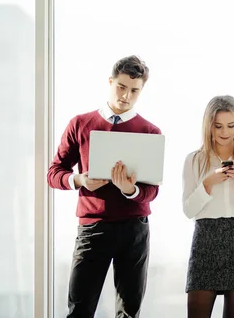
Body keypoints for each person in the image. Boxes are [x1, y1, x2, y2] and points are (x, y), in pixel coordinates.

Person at [47, 55, 161, 318]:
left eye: (134, 90)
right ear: (110, 82)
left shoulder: (150, 132)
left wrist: (130, 190)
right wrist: (79, 180)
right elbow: (54, 173)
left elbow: (152, 191)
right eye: (121, 87)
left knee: (129, 313)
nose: (126, 96)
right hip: (92, 228)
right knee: (79, 310)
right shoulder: (80, 124)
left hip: (134, 230)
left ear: (141, 90)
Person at [182, 95, 234, 318]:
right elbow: (189, 210)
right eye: (218, 126)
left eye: (231, 125)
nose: (224, 132)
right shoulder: (194, 160)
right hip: (205, 238)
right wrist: (207, 184)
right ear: (208, 126)